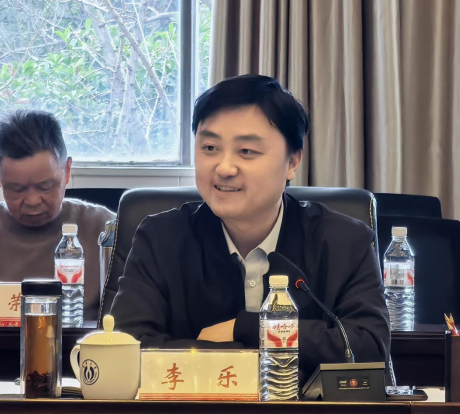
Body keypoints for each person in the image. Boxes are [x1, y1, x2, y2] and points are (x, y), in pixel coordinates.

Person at [110, 75, 390, 382]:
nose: (224, 168)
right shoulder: (160, 239)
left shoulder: (344, 242)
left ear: (292, 162)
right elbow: (124, 351)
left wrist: (244, 328)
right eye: (210, 147)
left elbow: (369, 349)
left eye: (246, 151)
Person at [0, 110, 115, 321]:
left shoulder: (105, 229)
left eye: (45, 187)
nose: (32, 201)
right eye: (17, 189)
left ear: (67, 171)